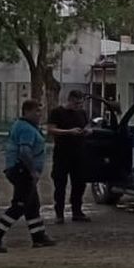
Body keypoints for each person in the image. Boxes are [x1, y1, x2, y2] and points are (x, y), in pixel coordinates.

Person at [0, 99, 56, 252]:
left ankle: (38, 236)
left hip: (21, 170)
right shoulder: (26, 129)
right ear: (27, 112)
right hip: (22, 171)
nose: (39, 115)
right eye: (36, 111)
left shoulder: (28, 127)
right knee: (20, 205)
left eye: (40, 111)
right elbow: (25, 151)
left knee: (32, 205)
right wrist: (32, 171)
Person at [46, 89, 91, 223]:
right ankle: (59, 214)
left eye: (80, 104)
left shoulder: (82, 113)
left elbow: (86, 125)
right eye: (76, 103)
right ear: (70, 100)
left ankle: (77, 211)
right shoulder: (57, 112)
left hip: (79, 153)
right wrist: (68, 132)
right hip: (62, 153)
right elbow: (51, 129)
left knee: (79, 183)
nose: (78, 106)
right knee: (60, 184)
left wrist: (87, 131)